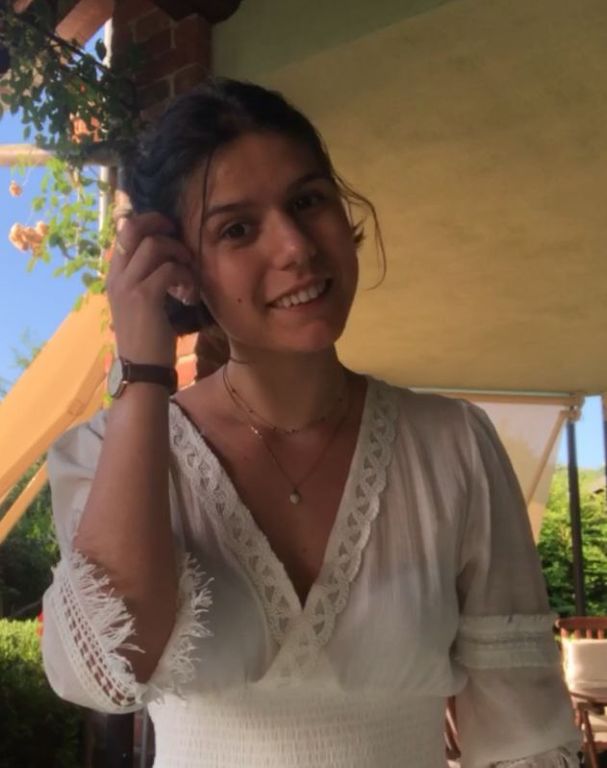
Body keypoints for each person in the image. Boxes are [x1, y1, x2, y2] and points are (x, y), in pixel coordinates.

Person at [42, 78, 580, 768]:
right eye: (237, 229)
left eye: (307, 201)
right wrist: (143, 371)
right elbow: (107, 672)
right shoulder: (111, 455)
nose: (295, 246)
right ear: (181, 271)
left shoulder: (453, 447)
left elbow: (521, 733)